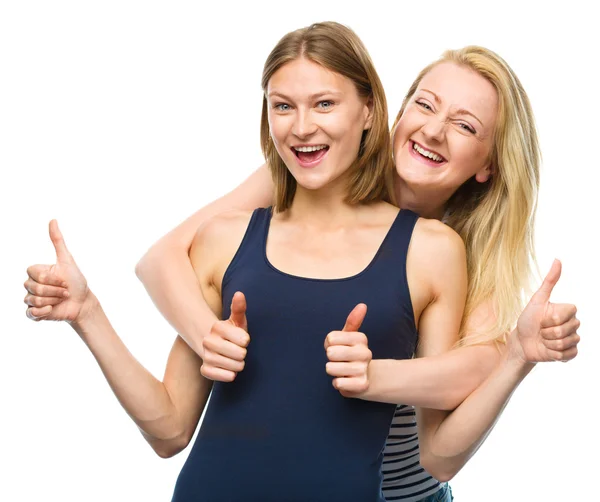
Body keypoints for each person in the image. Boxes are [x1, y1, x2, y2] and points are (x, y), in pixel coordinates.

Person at [24, 24, 580, 502]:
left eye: (465, 125)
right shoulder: (277, 195)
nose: (433, 130)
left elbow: (470, 382)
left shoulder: (449, 253)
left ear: (489, 164)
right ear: (393, 112)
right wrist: (181, 330)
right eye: (426, 104)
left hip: (399, 489)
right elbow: (161, 279)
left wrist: (383, 374)